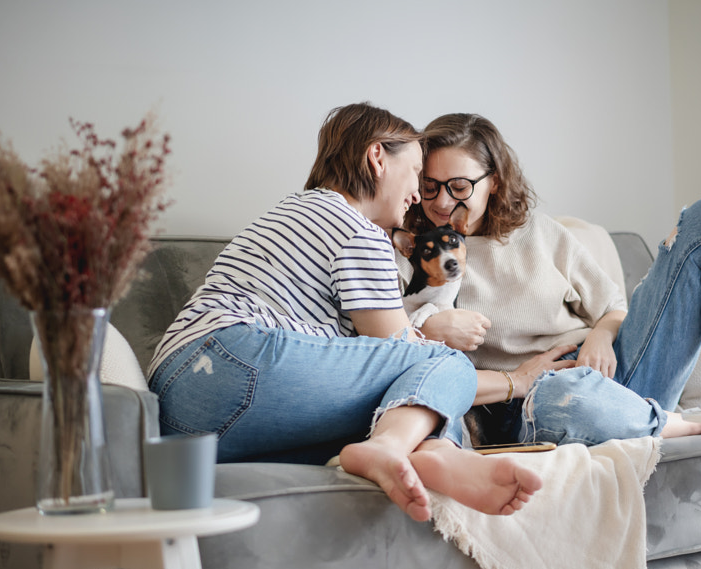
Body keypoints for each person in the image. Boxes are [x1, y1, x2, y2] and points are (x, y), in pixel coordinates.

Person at [148, 103, 542, 522]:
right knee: (443, 359)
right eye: (414, 173)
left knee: (383, 417)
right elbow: (402, 350)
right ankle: (409, 449)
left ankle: (417, 452)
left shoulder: (291, 210)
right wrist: (513, 380)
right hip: (233, 359)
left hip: (179, 411)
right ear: (377, 158)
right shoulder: (356, 226)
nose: (416, 194)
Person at [400, 113, 701, 446]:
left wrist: (602, 337)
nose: (442, 201)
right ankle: (684, 424)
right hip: (537, 398)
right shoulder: (412, 252)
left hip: (615, 369)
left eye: (459, 186)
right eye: (430, 186)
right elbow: (396, 343)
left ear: (493, 182)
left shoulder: (539, 232)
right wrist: (431, 327)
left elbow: (613, 308)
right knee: (567, 400)